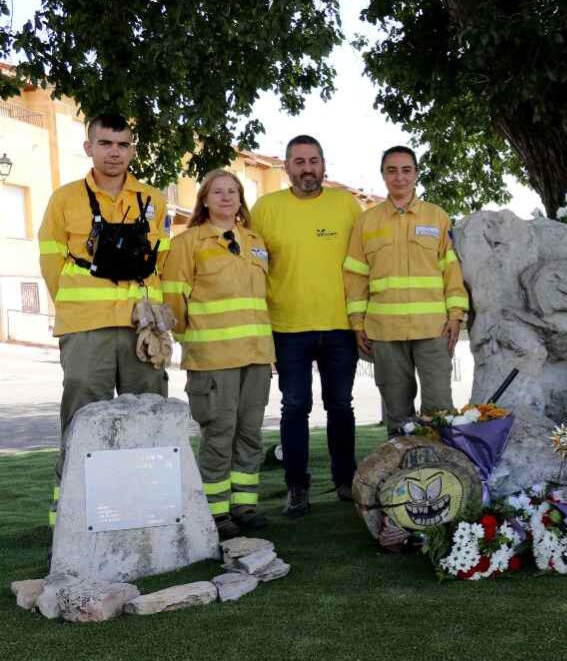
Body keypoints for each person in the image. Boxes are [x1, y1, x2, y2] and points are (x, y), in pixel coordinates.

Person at [37, 113, 170, 527]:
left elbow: (161, 260)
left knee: (148, 414)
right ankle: (72, 514)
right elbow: (51, 260)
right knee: (82, 418)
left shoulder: (153, 200)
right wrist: (78, 305)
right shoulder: (65, 199)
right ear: (89, 147)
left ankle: (149, 509)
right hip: (86, 327)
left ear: (133, 148)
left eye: (123, 144)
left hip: (139, 326)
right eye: (106, 143)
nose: (115, 152)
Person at [251, 135, 361, 518]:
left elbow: (363, 261)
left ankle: (346, 481)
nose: (307, 168)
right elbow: (253, 267)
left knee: (341, 406)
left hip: (339, 325)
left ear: (324, 164)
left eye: (313, 160)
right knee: (294, 407)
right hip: (287, 326)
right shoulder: (265, 209)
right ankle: (297, 487)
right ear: (286, 168)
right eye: (299, 161)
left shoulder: (346, 205)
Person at [162, 170, 275, 540]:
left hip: (256, 355)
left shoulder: (256, 242)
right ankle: (215, 511)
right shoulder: (189, 242)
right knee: (219, 434)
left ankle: (244, 506)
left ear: (241, 199)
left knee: (249, 433)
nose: (226, 197)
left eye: (233, 191)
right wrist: (187, 338)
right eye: (218, 192)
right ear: (205, 200)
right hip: (213, 357)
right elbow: (173, 300)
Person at [343, 146, 468, 433]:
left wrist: (456, 315)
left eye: (406, 170)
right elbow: (355, 276)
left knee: (439, 410)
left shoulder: (437, 218)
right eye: (392, 170)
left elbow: (452, 271)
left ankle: (442, 471)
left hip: (433, 330)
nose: (399, 177)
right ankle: (401, 474)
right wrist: (357, 323)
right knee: (398, 416)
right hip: (385, 333)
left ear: (416, 175)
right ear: (383, 176)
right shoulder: (366, 222)